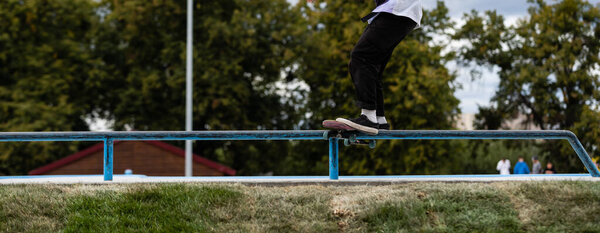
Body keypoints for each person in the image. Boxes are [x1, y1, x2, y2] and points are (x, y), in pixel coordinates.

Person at [307, 0, 423, 134]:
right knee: (372, 64)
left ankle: (369, 118)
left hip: (398, 9)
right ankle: (379, 119)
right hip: (404, 12)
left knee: (360, 57)